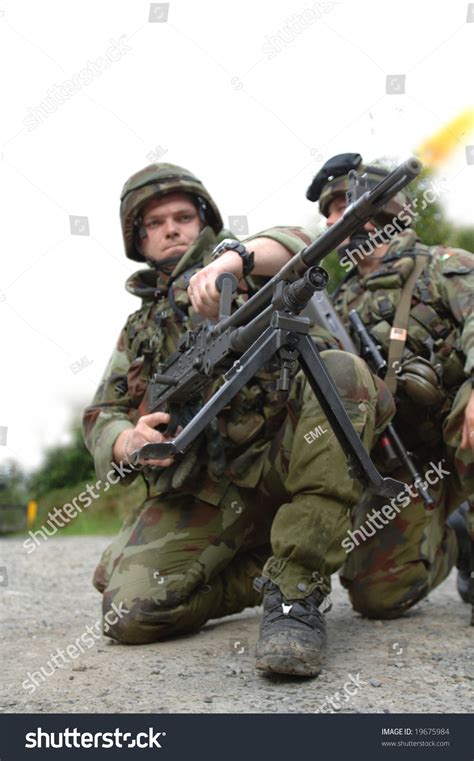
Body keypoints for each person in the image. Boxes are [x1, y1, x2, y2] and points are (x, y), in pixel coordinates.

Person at [82, 161, 395, 677]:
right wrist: (127, 440)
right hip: (208, 490)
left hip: (283, 460)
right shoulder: (138, 328)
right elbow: (102, 414)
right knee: (128, 613)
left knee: (341, 371)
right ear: (137, 239)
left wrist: (235, 260)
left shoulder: (240, 264)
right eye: (155, 223)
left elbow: (300, 240)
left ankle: (295, 593)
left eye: (182, 216)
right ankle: (262, 565)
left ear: (202, 220)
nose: (171, 228)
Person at [306, 152, 474, 619]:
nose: (336, 220)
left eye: (346, 206)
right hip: (403, 456)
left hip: (458, 430)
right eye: (330, 213)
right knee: (376, 594)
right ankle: (455, 535)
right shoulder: (334, 301)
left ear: (384, 210)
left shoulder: (443, 265)